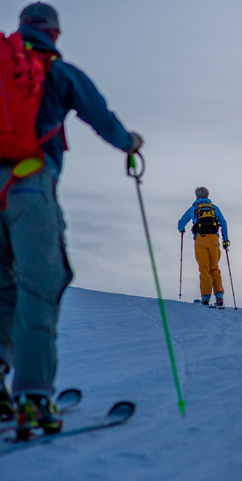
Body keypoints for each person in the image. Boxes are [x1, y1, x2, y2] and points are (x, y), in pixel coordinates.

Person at [0, 2, 143, 434]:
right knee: (39, 284)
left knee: (2, 285)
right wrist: (130, 143)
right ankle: (33, 397)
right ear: (54, 34)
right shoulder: (57, 72)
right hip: (28, 187)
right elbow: (100, 117)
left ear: (21, 28)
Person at [178, 187, 230, 306]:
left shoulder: (193, 209)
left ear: (196, 196)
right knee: (214, 267)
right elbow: (223, 222)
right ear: (207, 195)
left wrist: (181, 230)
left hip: (200, 240)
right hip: (214, 240)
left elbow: (181, 223)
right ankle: (219, 295)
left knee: (204, 268)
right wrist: (225, 239)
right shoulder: (214, 208)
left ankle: (206, 296)